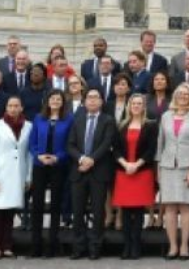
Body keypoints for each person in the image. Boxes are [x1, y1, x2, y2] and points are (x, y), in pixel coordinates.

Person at [68, 87, 119, 260]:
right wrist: (82, 159)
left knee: (98, 212)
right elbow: (70, 145)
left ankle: (95, 247)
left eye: (96, 97)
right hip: (79, 171)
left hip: (99, 171)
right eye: (89, 97)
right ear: (84, 101)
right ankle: (78, 246)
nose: (92, 100)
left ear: (101, 101)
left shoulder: (108, 120)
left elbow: (106, 144)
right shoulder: (77, 120)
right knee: (78, 210)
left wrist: (91, 160)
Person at [157, 82, 189, 260]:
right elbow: (160, 144)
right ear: (175, 96)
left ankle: (184, 245)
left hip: (188, 167)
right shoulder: (166, 116)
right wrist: (158, 167)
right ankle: (172, 246)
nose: (183, 97)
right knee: (169, 207)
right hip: (168, 165)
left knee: (185, 206)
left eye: (186, 94)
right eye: (180, 94)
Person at [29, 88, 73, 258]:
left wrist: (57, 158)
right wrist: (39, 155)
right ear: (47, 101)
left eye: (58, 99)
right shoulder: (39, 118)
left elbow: (70, 143)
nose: (55, 101)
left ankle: (51, 245)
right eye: (52, 98)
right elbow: (32, 142)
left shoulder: (68, 119)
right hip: (39, 165)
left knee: (55, 205)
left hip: (58, 165)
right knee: (37, 205)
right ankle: (35, 245)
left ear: (63, 102)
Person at [112, 94, 157, 260]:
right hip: (124, 171)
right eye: (134, 103)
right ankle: (127, 246)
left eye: (139, 103)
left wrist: (136, 164)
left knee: (138, 212)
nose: (136, 106)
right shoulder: (121, 125)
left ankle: (136, 246)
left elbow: (151, 150)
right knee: (125, 210)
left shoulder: (151, 126)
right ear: (129, 106)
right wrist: (125, 164)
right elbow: (115, 148)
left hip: (142, 171)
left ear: (144, 106)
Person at [0, 94, 32, 259]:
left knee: (10, 212)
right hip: (1, 173)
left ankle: (7, 246)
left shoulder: (28, 126)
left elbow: (29, 154)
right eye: (10, 106)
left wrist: (28, 177)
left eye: (16, 106)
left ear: (21, 108)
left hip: (18, 174)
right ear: (6, 108)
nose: (13, 109)